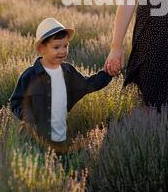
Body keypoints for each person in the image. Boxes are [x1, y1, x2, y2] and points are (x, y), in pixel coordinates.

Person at [10, 17, 113, 155]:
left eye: (66, 46)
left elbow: (87, 85)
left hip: (59, 138)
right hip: (32, 139)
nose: (62, 51)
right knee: (34, 167)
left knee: (58, 166)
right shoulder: (30, 75)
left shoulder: (68, 72)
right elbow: (16, 102)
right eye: (56, 47)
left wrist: (108, 74)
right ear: (42, 48)